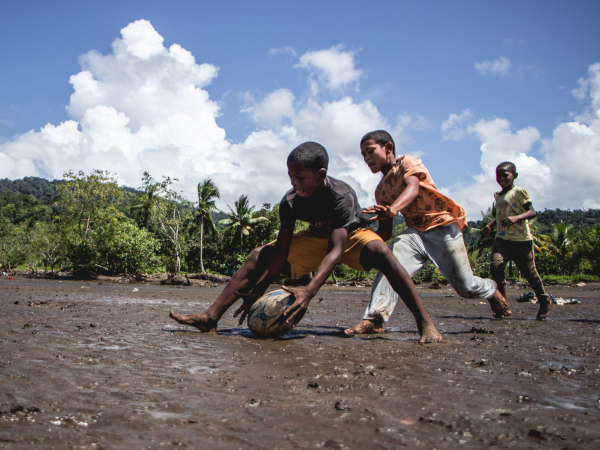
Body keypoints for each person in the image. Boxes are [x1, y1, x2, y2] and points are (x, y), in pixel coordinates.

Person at [170, 142, 442, 343]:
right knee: (258, 255)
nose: (294, 182)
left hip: (349, 236)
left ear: (321, 173)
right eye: (290, 176)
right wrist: (261, 288)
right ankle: (211, 317)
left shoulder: (341, 195)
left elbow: (336, 249)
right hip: (315, 239)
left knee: (382, 252)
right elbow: (282, 251)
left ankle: (425, 323)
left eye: (300, 177)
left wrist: (309, 291)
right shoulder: (290, 202)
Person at [345, 130, 511, 336]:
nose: (366, 158)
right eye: (363, 155)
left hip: (441, 227)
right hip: (415, 233)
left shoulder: (408, 163)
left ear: (388, 148)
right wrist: (363, 244)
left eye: (370, 151)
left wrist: (393, 209)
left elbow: (412, 189)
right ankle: (374, 318)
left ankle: (491, 289)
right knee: (390, 262)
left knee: (466, 287)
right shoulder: (381, 191)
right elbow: (385, 231)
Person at [481, 162, 550, 320]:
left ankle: (544, 300)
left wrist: (516, 218)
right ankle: (502, 305)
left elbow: (532, 212)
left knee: (530, 273)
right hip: (502, 239)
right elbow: (499, 215)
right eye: (498, 175)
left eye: (505, 175)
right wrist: (490, 226)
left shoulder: (519, 192)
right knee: (496, 266)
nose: (501, 178)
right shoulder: (498, 195)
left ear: (514, 175)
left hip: (521, 240)